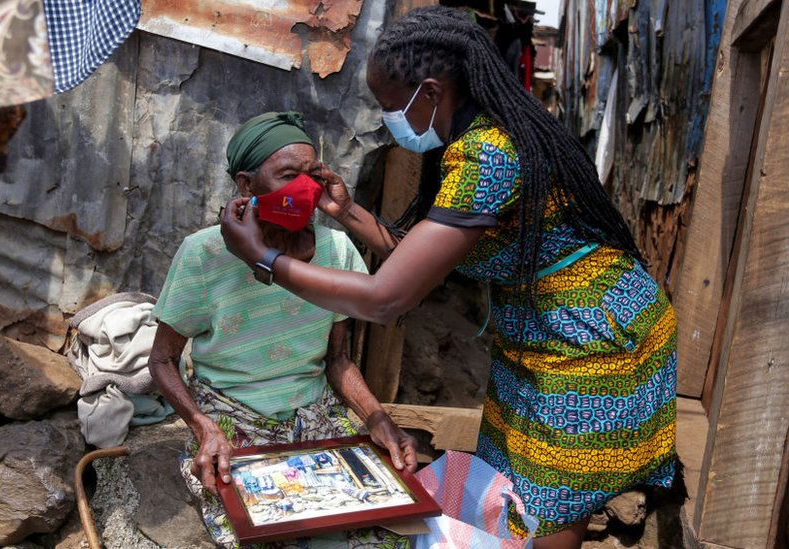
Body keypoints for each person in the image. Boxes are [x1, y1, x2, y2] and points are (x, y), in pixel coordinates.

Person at [220, 7, 677, 549]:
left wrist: (265, 259)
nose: (388, 120)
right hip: (541, 333)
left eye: (391, 107)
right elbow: (421, 256)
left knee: (549, 503)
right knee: (511, 487)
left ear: (431, 92)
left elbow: (388, 299)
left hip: (593, 341)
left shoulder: (488, 154)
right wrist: (346, 211)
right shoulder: (469, 139)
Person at [149, 111, 418, 549]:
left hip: (315, 414)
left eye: (312, 175)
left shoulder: (336, 249)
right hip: (234, 417)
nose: (304, 188)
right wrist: (203, 427)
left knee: (378, 534)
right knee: (261, 533)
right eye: (288, 175)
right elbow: (161, 360)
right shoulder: (204, 254)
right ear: (246, 185)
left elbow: (338, 360)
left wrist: (377, 418)